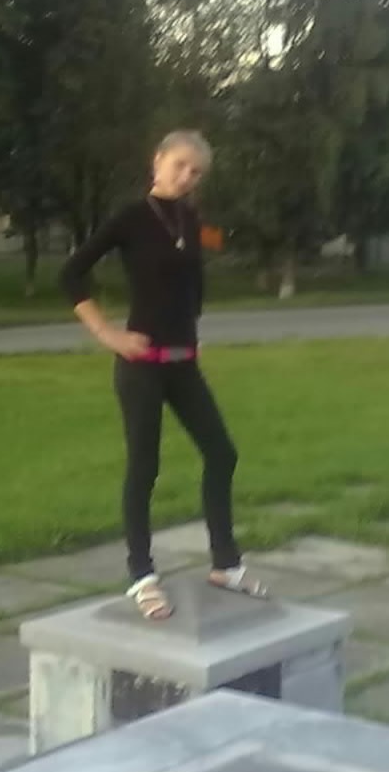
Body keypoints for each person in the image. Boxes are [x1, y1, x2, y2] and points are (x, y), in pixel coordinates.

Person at [60, 130, 269, 621]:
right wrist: (107, 334)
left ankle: (226, 565)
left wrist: (191, 333)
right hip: (141, 366)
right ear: (158, 161)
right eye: (180, 166)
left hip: (183, 363)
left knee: (222, 453)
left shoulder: (190, 219)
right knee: (145, 466)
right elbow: (71, 274)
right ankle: (141, 574)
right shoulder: (131, 217)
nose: (187, 177)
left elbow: (189, 289)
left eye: (196, 172)